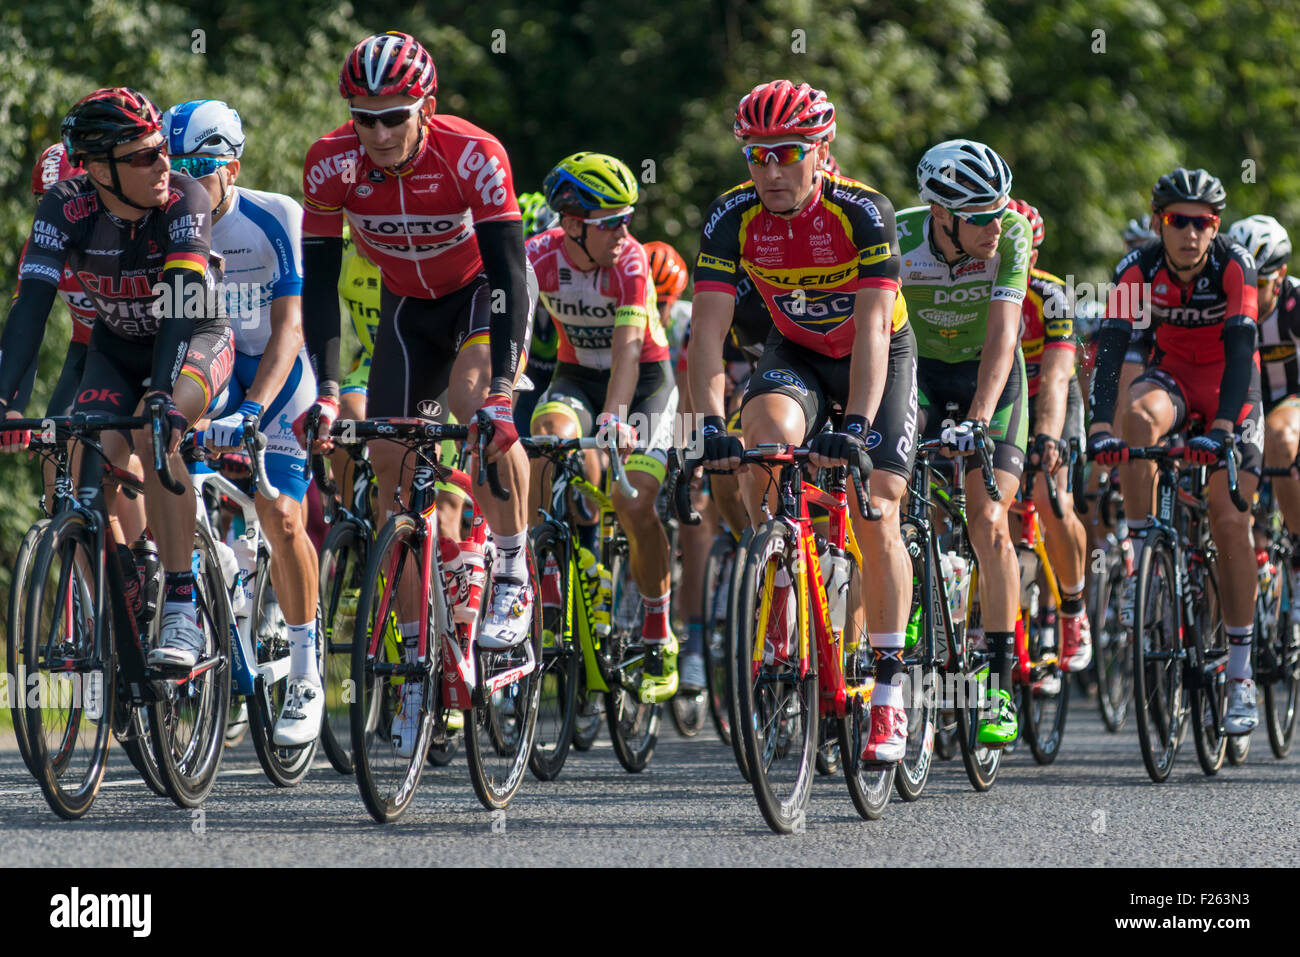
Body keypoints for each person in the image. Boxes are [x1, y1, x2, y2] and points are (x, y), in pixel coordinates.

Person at [296, 32, 537, 755]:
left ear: (425, 107)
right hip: (406, 314)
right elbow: (320, 284)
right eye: (363, 117)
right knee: (392, 485)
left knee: (473, 406)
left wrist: (501, 389)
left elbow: (510, 272)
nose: (377, 133)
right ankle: (411, 666)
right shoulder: (331, 163)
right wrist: (331, 388)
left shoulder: (473, 153)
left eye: (393, 115)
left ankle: (516, 567)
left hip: (476, 299)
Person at [692, 80, 918, 763]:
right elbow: (706, 336)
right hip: (796, 353)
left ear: (822, 150)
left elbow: (875, 330)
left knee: (877, 509)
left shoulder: (863, 211)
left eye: (787, 153)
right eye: (757, 156)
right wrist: (706, 425)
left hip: (873, 357)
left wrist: (854, 426)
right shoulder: (730, 216)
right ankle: (787, 573)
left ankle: (887, 693)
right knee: (763, 446)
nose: (770, 171)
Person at [0, 88, 233, 670]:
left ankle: (182, 606)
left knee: (158, 435)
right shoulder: (64, 207)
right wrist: (5, 399)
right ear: (98, 169)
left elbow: (181, 306)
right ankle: (129, 578)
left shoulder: (185, 198)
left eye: (161, 148)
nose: (163, 163)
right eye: (143, 156)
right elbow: (30, 306)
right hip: (113, 347)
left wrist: (160, 392)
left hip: (194, 338)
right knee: (83, 457)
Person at [162, 98, 324, 744]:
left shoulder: (276, 216)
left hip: (279, 380)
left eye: (201, 166)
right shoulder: (169, 222)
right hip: (214, 369)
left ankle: (308, 673)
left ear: (234, 164)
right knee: (181, 484)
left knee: (281, 513)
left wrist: (255, 409)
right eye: (174, 168)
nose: (187, 182)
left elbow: (289, 330)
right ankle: (216, 623)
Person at [1089, 167, 1261, 735]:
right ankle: (1142, 551)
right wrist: (1096, 428)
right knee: (1137, 420)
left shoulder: (1236, 266)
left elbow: (1241, 353)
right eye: (1176, 221)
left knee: (1229, 519)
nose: (1189, 233)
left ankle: (1240, 675)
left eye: (1202, 223)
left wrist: (1224, 432)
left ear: (1216, 228)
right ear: (1159, 223)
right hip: (1174, 381)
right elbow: (1112, 352)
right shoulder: (1135, 270)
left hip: (1231, 390)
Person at [526, 152, 681, 701]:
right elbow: (515, 338)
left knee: (634, 500)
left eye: (628, 218)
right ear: (571, 224)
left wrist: (616, 416)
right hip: (575, 379)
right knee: (545, 435)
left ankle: (659, 629)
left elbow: (630, 351)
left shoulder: (631, 262)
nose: (624, 231)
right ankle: (549, 569)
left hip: (643, 386)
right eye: (611, 221)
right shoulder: (538, 257)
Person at [896, 138, 1031, 746]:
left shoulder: (1014, 235)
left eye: (998, 210)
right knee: (886, 500)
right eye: (979, 216)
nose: (994, 227)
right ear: (940, 215)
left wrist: (977, 418)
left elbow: (1004, 338)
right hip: (920, 376)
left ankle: (999, 684)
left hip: (990, 380)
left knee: (989, 519)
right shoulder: (897, 239)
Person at [1007, 197, 1091, 672]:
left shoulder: (1051, 296)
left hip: (1051, 399)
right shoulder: (967, 288)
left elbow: (1060, 378)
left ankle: (1074, 608)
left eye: (1025, 251)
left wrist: (1048, 439)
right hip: (1005, 400)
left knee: (1049, 492)